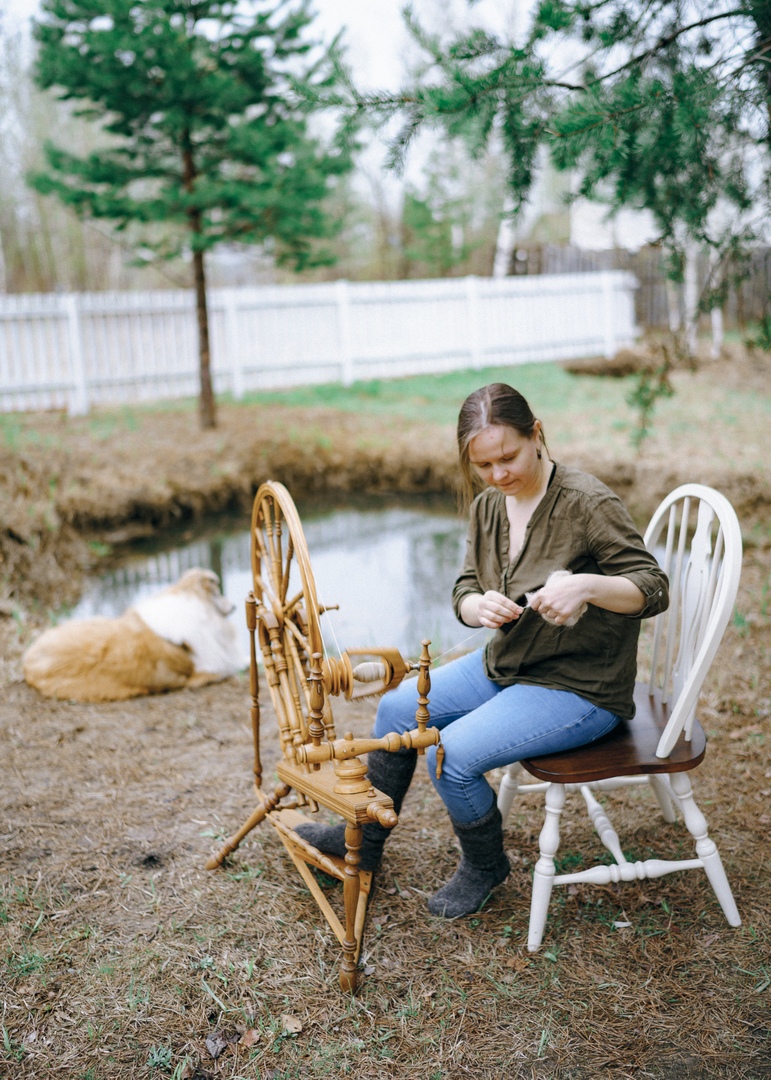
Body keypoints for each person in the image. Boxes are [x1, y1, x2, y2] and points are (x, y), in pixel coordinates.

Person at [297, 383, 669, 917]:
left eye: (508, 457)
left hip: (579, 686)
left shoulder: (587, 502)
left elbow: (653, 586)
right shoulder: (489, 506)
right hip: (508, 664)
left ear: (536, 434)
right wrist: (479, 607)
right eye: (484, 465)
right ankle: (364, 841)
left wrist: (587, 587)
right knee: (397, 708)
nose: (499, 475)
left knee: (451, 754)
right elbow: (465, 587)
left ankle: (484, 866)